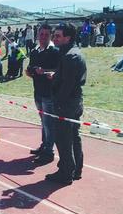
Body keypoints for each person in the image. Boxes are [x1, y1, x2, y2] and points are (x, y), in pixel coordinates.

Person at [45, 23, 86, 185]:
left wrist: (59, 103)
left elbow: (67, 85)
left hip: (66, 103)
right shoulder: (72, 53)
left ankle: (66, 172)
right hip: (75, 101)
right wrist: (56, 76)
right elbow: (69, 79)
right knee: (74, 136)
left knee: (63, 138)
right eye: (54, 36)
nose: (54, 39)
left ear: (68, 38)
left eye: (58, 36)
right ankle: (76, 170)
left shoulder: (70, 56)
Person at [26, 24, 59, 164]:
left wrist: (46, 71)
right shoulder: (34, 51)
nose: (43, 37)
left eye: (46, 34)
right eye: (41, 34)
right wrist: (31, 71)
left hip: (49, 93)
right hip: (37, 91)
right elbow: (30, 67)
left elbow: (58, 69)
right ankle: (44, 146)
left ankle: (49, 152)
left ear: (50, 36)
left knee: (48, 123)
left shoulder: (55, 51)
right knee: (43, 122)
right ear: (37, 35)